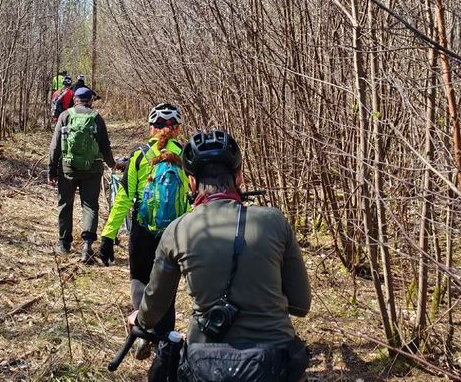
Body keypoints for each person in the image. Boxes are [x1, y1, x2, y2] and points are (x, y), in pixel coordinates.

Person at [127, 130, 312, 382]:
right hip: (274, 361)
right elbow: (301, 305)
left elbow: (155, 305)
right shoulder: (274, 221)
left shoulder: (177, 230)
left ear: (192, 183)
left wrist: (140, 317)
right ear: (239, 177)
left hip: (205, 362)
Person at [98, 103, 190, 378]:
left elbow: (124, 199)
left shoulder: (139, 155)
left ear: (152, 128)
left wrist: (108, 235)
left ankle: (141, 328)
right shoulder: (186, 156)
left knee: (139, 279)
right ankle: (164, 347)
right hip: (174, 232)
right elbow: (190, 200)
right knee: (167, 288)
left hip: (142, 231)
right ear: (176, 129)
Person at [48, 86, 117, 262]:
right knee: (90, 206)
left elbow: (55, 146)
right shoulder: (96, 118)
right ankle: (87, 245)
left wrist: (52, 170)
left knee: (65, 204)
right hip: (92, 169)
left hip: (68, 168)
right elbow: (105, 145)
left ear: (74, 100)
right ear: (90, 101)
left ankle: (64, 244)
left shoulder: (65, 116)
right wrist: (112, 164)